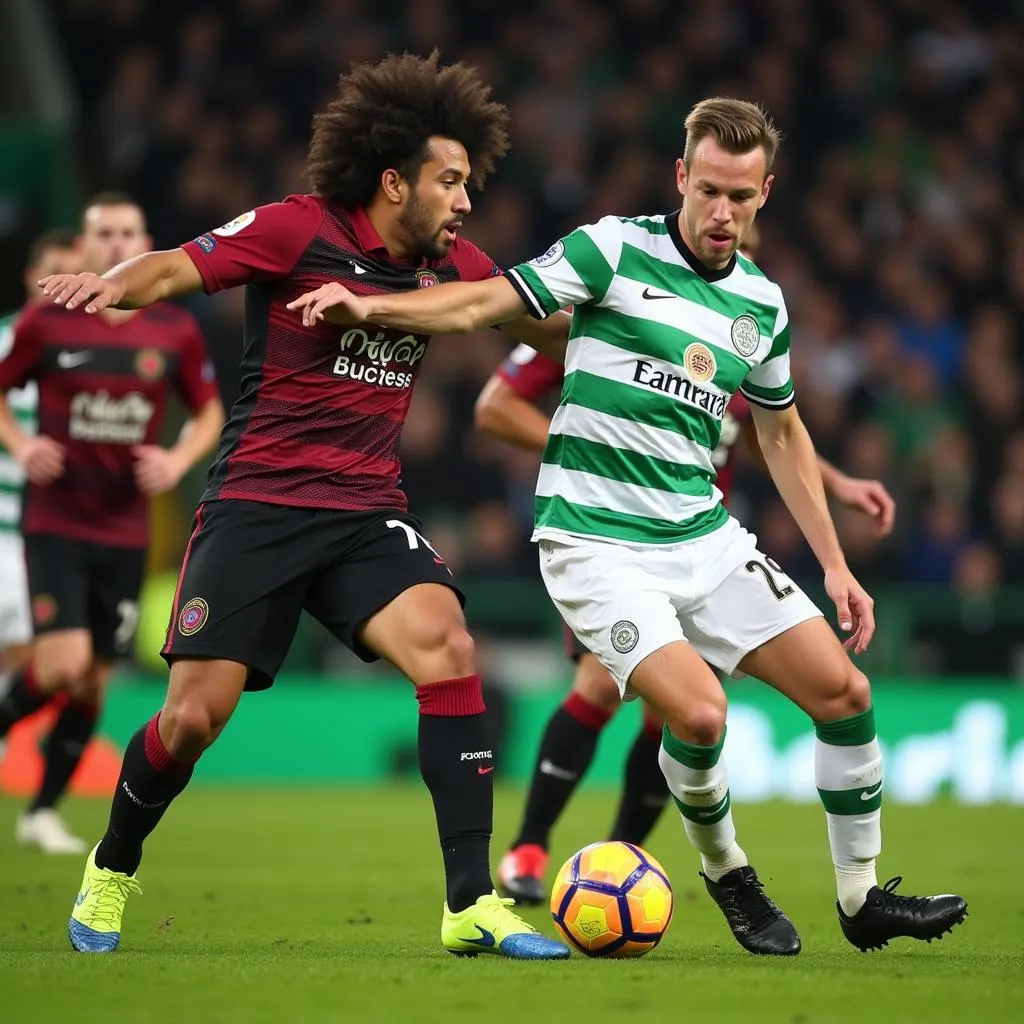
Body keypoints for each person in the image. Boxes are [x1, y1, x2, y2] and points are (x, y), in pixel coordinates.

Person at [287, 97, 967, 955]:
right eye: (709, 189)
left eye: (742, 197)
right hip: (595, 544)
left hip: (703, 537)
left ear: (766, 194)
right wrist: (369, 308)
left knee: (848, 696)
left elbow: (781, 433)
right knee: (700, 714)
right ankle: (730, 877)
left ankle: (862, 898)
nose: (723, 212)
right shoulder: (611, 248)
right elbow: (482, 303)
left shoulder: (760, 303)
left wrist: (835, 565)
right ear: (681, 176)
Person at [40, 53, 569, 959]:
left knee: (447, 645)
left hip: (366, 511)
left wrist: (629, 307)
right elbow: (174, 267)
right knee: (191, 720)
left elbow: (544, 318)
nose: (467, 202)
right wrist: (111, 286)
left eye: (470, 184)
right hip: (257, 505)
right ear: (395, 181)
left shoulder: (457, 265)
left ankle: (469, 903)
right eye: (451, 181)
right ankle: (114, 862)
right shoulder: (296, 230)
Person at [476, 235, 897, 906]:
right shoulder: (612, 301)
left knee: (672, 720)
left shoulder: (737, 324)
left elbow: (768, 437)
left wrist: (839, 483)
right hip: (611, 535)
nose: (730, 234)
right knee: (600, 688)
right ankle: (529, 846)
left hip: (704, 546)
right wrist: (583, 442)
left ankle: (621, 860)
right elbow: (492, 405)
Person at [0, 194, 224, 854]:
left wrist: (177, 456)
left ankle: (41, 810)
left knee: (94, 679)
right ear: (88, 246)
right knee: (65, 664)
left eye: (129, 230)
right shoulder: (48, 323)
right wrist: (20, 445)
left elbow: (208, 411)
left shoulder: (174, 330)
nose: (116, 241)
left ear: (145, 240)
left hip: (127, 533)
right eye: (104, 233)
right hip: (57, 522)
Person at [0, 231, 81, 797]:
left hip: (41, 536)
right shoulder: (5, 341)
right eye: (52, 271)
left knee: (41, 656)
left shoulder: (83, 351)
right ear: (31, 276)